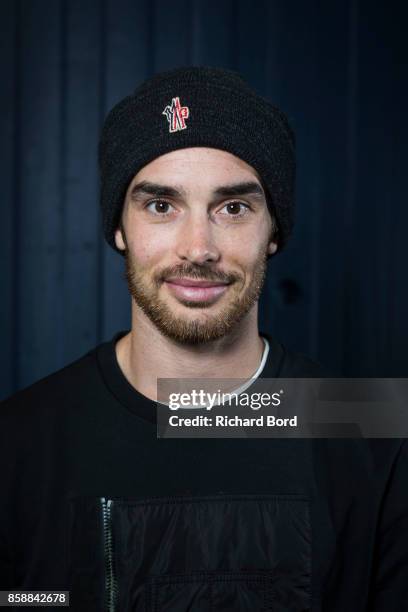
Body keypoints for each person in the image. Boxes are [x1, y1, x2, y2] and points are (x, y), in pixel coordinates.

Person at [0, 67, 407, 611]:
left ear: (275, 231)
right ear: (120, 227)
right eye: (161, 206)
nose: (198, 247)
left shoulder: (370, 429)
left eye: (233, 208)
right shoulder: (20, 441)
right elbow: (24, 599)